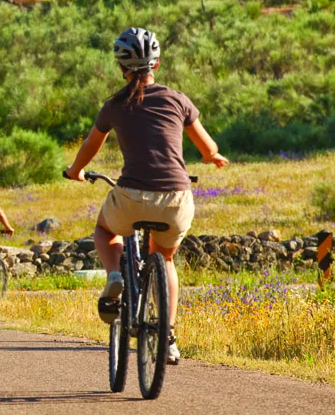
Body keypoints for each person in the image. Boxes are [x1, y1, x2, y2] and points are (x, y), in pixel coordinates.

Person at [64, 28, 229, 365]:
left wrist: (76, 170)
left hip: (131, 197)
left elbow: (90, 147)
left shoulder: (114, 105)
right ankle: (167, 337)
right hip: (176, 200)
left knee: (105, 231)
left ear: (121, 67)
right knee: (165, 259)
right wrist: (212, 157)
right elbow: (208, 147)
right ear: (158, 63)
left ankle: (114, 275)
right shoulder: (178, 99)